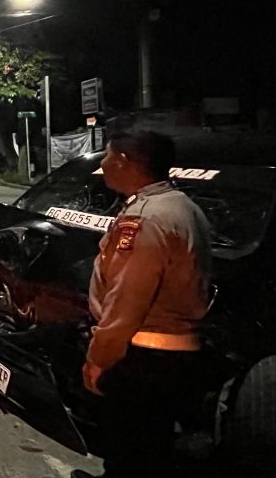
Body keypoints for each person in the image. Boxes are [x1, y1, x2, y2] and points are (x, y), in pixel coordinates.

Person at [71, 130, 211, 478]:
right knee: (146, 445)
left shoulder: (147, 217)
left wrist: (99, 358)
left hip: (142, 353)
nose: (101, 166)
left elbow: (126, 298)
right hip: (168, 353)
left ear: (123, 162)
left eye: (105, 157)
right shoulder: (180, 205)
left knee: (131, 446)